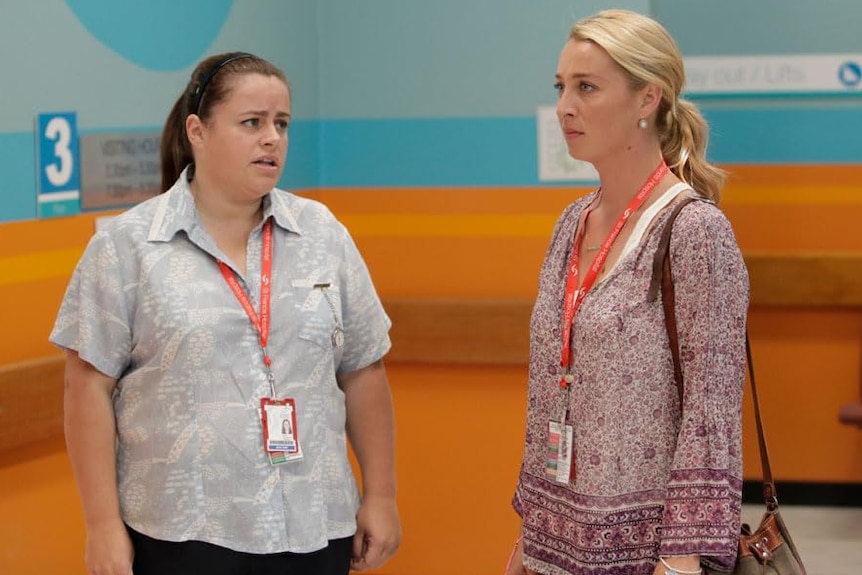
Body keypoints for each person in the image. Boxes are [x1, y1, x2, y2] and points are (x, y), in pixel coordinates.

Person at [52, 51, 400, 575]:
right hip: (183, 533)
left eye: (282, 123)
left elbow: (363, 370)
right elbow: (86, 388)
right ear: (198, 130)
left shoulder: (323, 232)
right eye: (251, 123)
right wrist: (101, 526)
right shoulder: (127, 246)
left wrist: (382, 494)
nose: (272, 138)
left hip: (314, 524)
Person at [506, 10, 749, 575]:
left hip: (646, 554)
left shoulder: (694, 231)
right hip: (557, 543)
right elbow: (549, 393)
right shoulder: (571, 223)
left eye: (587, 87)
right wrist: (529, 534)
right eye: (561, 87)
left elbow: (711, 414)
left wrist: (682, 557)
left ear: (648, 100)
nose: (565, 106)